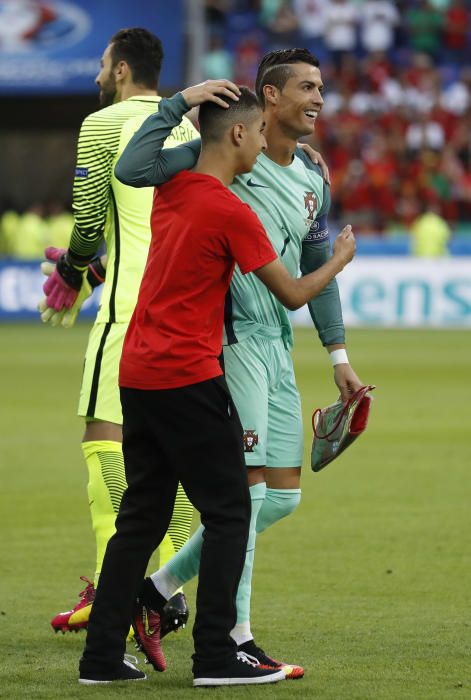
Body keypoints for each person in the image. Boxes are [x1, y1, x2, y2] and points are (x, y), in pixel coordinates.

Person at [79, 80, 355, 687]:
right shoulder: (230, 210)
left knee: (141, 520)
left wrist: (179, 101)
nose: (261, 141)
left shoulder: (173, 189)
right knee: (232, 509)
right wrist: (337, 260)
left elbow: (133, 166)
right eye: (256, 131)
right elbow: (293, 291)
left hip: (140, 373)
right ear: (238, 133)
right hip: (189, 376)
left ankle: (100, 658)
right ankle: (217, 655)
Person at [38, 27, 198, 635]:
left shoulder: (103, 124)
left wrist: (76, 269)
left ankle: (117, 590)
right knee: (177, 455)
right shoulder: (189, 125)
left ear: (123, 70)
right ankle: (171, 587)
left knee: (105, 441)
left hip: (131, 312)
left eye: (104, 64)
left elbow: (86, 224)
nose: (97, 75)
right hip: (193, 313)